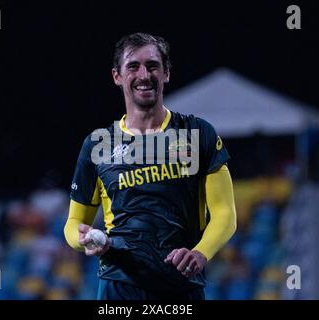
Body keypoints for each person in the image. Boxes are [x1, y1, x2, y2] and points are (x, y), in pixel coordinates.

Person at [64, 32, 237, 300]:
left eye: (152, 66)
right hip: (118, 287)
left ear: (166, 73)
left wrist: (201, 253)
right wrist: (82, 239)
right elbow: (74, 223)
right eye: (133, 66)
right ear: (117, 76)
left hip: (182, 286)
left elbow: (226, 213)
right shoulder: (98, 144)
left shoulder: (197, 133)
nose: (144, 75)